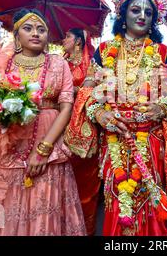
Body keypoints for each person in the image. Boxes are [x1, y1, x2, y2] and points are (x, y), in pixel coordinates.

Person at [66, 0, 167, 236]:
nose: (142, 15)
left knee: (147, 195)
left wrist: (162, 108)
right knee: (116, 194)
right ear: (122, 14)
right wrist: (99, 113)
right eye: (135, 10)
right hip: (114, 137)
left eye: (148, 11)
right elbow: (88, 91)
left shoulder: (163, 52)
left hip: (151, 138)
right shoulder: (104, 51)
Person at [0, 9, 86, 236]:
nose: (35, 34)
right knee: (7, 203)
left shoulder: (58, 63)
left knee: (45, 202)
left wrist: (44, 149)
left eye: (41, 30)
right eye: (28, 28)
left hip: (49, 139)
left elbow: (66, 106)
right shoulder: (2, 63)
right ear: (16, 35)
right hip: (8, 143)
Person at [62, 28, 100, 235]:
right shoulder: (61, 64)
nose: (63, 39)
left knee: (86, 185)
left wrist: (78, 91)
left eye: (67, 36)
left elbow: (100, 91)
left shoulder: (92, 65)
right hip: (59, 128)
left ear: (78, 41)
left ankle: (86, 230)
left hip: (87, 131)